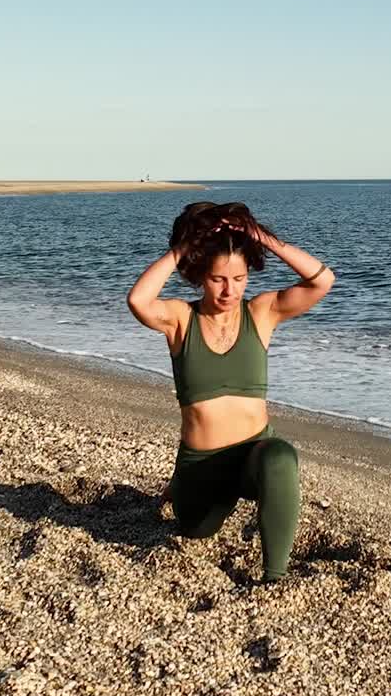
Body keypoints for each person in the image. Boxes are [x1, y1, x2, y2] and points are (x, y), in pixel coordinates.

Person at [126, 201, 334, 583]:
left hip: (253, 453)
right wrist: (184, 247)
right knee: (195, 530)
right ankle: (181, 488)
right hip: (201, 465)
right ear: (199, 276)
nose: (229, 290)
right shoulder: (180, 319)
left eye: (239, 279)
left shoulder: (262, 314)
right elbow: (138, 300)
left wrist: (261, 237)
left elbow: (322, 280)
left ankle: (275, 577)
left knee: (281, 457)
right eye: (218, 279)